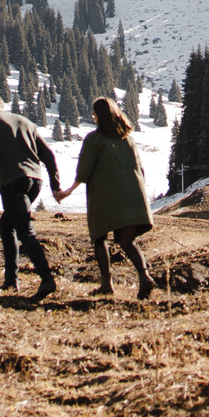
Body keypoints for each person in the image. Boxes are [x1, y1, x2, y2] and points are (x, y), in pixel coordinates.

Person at [0, 92, 61, 298]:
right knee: (7, 225)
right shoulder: (24, 121)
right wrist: (55, 186)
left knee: (25, 230)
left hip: (13, 181)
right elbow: (48, 155)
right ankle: (10, 281)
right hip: (35, 181)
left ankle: (47, 279)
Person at [64, 96, 155, 299]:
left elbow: (84, 170)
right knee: (127, 240)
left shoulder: (94, 139)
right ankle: (144, 276)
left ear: (96, 115)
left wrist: (69, 190)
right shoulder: (128, 138)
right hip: (132, 194)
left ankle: (106, 284)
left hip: (104, 196)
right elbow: (140, 168)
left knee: (100, 237)